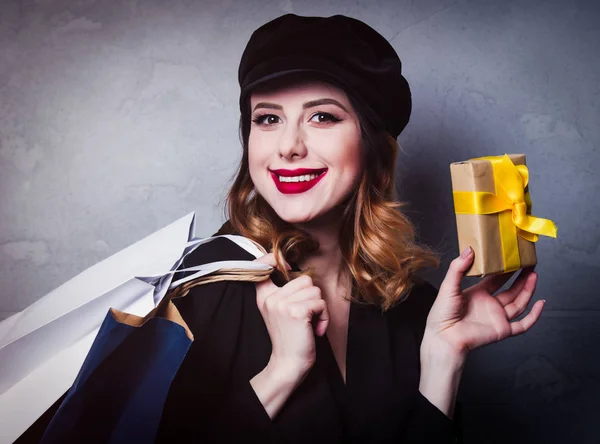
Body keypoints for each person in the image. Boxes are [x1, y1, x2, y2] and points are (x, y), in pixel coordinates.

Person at [153, 13, 545, 444]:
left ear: (371, 146)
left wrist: (442, 356)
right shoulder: (196, 288)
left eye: (322, 117)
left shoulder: (414, 307)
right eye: (267, 119)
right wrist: (280, 372)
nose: (288, 146)